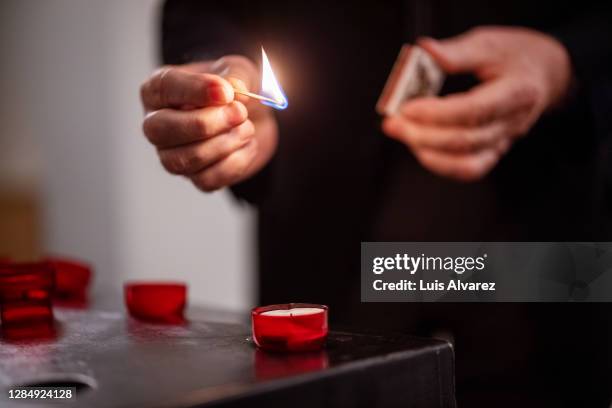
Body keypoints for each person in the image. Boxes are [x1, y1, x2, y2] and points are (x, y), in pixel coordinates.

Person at [140, 1, 612, 406]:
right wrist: (216, 67)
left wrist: (571, 60)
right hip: (327, 231)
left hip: (547, 232)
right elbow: (200, 8)